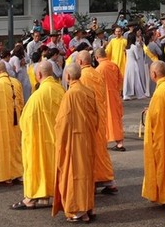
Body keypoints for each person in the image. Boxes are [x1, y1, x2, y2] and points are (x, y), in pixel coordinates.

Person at [13, 60, 66, 210]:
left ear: (38, 75)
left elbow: (25, 123)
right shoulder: (60, 90)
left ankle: (32, 197)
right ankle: (58, 192)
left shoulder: (36, 97)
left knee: (38, 165)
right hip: (59, 140)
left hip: (42, 141)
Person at [51, 62, 99, 223]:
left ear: (68, 76)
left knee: (75, 175)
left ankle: (79, 211)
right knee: (86, 174)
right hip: (88, 140)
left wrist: (60, 142)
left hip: (74, 142)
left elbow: (62, 122)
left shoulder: (71, 94)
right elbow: (96, 118)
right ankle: (88, 207)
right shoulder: (88, 91)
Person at [78, 50, 118, 194]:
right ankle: (107, 181)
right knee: (101, 150)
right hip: (101, 116)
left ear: (81, 62)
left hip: (90, 118)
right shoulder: (97, 74)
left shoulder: (82, 76)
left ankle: (96, 181)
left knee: (91, 151)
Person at [142, 60, 165, 206]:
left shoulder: (160, 92)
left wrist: (149, 113)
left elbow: (156, 119)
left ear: (154, 74)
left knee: (162, 165)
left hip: (161, 135)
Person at [0, 60, 24, 185]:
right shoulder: (16, 82)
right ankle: (18, 174)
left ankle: (5, 176)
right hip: (16, 122)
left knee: (3, 148)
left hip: (1, 124)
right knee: (16, 147)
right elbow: (21, 102)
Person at [95, 47, 126, 151]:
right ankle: (119, 142)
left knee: (105, 120)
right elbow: (120, 80)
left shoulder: (99, 69)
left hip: (104, 97)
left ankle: (104, 141)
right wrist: (119, 92)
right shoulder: (114, 65)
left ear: (97, 57)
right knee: (116, 119)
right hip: (115, 95)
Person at [123, 30, 152, 100]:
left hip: (128, 64)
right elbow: (137, 57)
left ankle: (126, 94)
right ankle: (140, 94)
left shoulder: (127, 47)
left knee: (127, 79)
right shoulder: (134, 47)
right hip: (134, 63)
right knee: (137, 79)